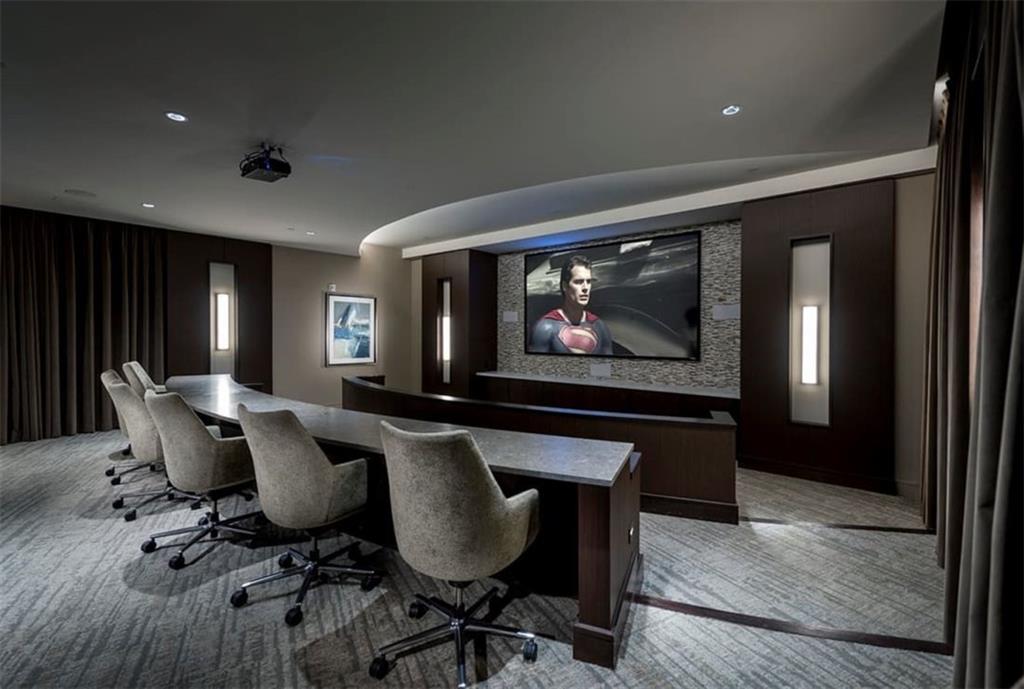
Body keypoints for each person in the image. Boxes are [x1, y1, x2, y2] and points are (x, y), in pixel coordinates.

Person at [529, 255, 613, 354]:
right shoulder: (546, 328)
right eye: (578, 282)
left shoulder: (600, 327)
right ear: (565, 286)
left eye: (588, 281)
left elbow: (608, 367)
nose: (585, 288)